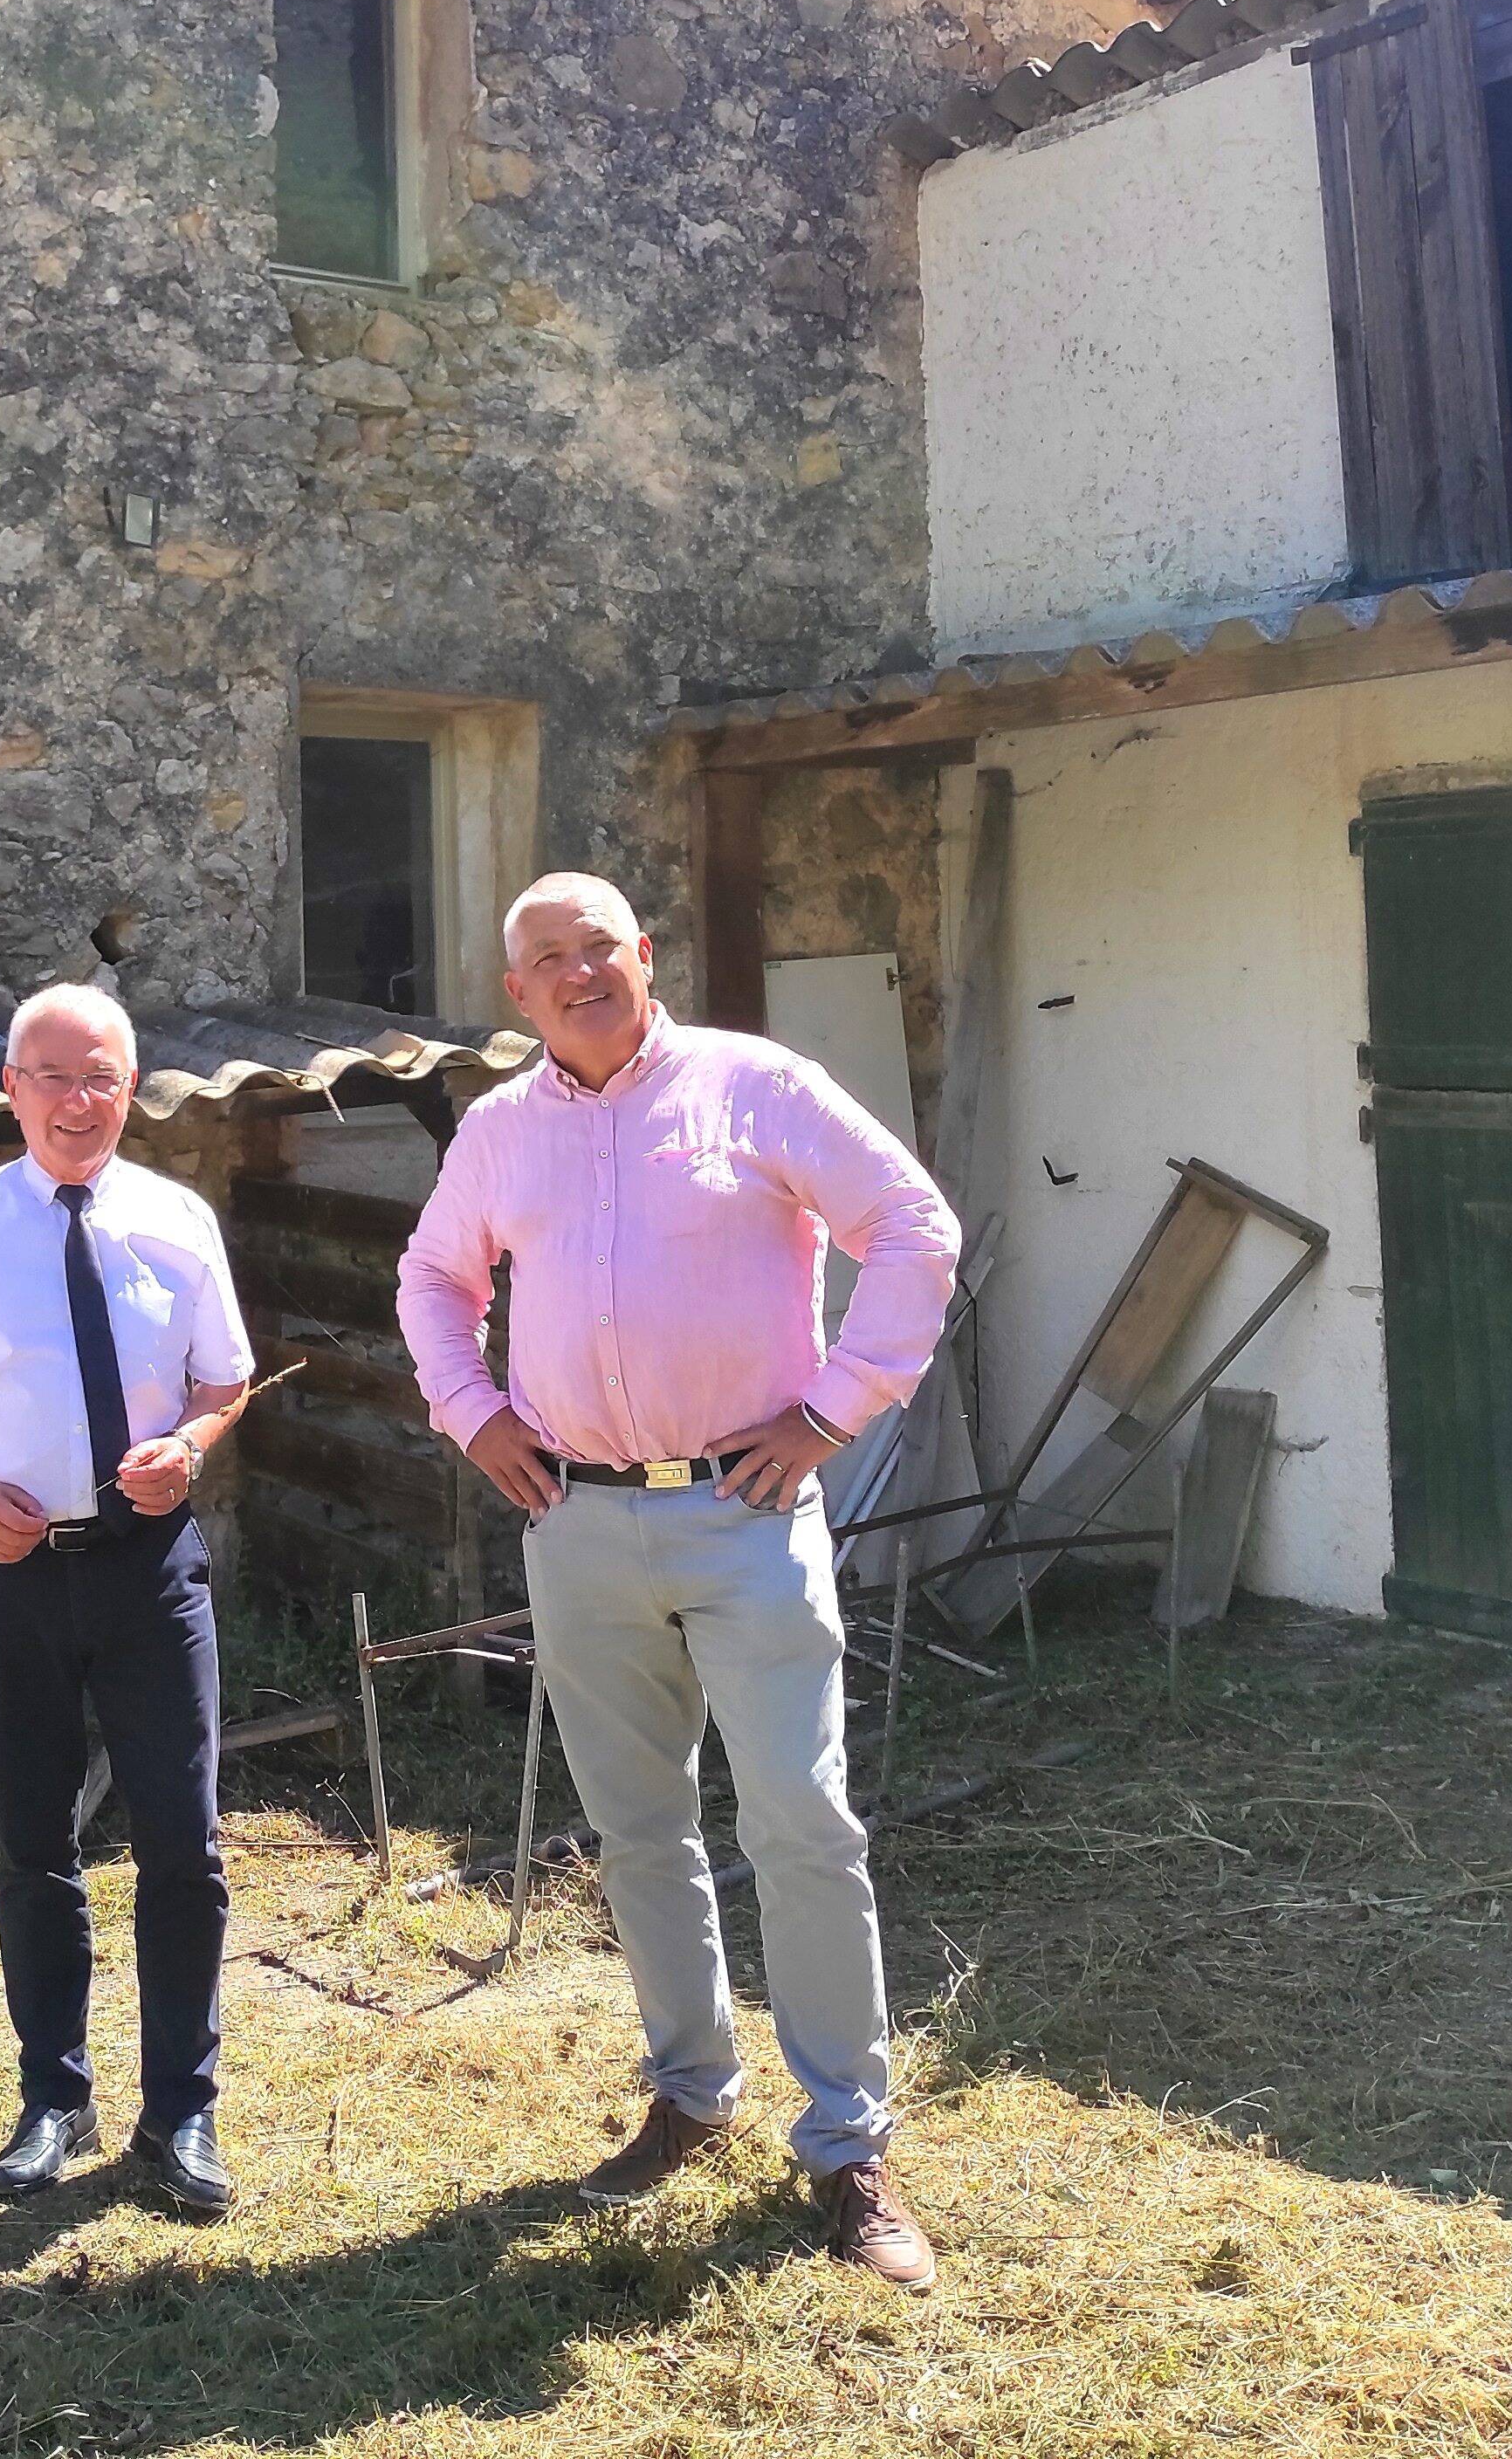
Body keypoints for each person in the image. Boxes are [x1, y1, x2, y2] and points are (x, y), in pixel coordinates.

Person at [396, 872, 961, 2289]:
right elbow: (431, 1282)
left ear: (646, 958)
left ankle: (848, 2147)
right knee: (638, 1831)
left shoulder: (754, 1086)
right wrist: (475, 1414)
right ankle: (691, 2091)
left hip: (741, 1509)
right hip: (579, 1524)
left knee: (802, 1824)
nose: (579, 973)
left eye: (602, 948)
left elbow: (913, 1229)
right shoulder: (497, 1133)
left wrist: (834, 1409)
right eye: (547, 959)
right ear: (514, 993)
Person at [0, 982, 260, 2216]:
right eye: (51, 1076)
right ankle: (54, 2098)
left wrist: (192, 1449)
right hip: (8, 1575)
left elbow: (226, 1383)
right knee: (36, 1847)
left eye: (99, 1077)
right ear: (12, 1087)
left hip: (150, 1573)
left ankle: (181, 2117)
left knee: (183, 1848)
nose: (76, 1101)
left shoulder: (178, 1221)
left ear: (129, 1089)